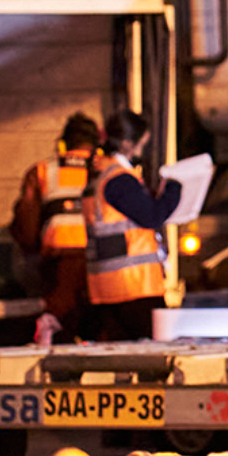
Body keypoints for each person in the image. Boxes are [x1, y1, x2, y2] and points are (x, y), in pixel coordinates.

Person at [82, 109, 181, 341]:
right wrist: (175, 190)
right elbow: (152, 216)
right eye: (140, 144)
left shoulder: (98, 176)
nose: (140, 150)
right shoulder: (119, 180)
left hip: (106, 288)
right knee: (150, 359)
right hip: (134, 287)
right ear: (127, 143)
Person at [10, 112, 102, 344]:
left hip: (62, 263)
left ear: (64, 143)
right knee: (100, 334)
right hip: (103, 263)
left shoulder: (42, 171)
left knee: (60, 332)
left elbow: (27, 226)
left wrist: (31, 251)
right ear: (96, 144)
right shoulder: (107, 170)